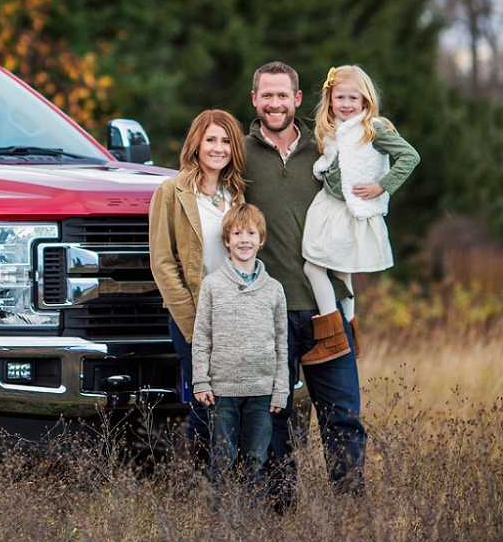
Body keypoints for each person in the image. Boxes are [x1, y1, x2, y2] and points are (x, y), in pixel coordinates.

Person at [243, 62, 365, 500]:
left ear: (297, 99)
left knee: (343, 416)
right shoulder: (240, 153)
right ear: (255, 100)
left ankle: (351, 516)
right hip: (265, 312)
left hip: (326, 310)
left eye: (283, 95)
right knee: (273, 421)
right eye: (266, 95)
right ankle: (280, 520)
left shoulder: (328, 149)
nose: (275, 103)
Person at [300, 64, 420, 365]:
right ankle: (350, 335)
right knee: (340, 272)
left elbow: (410, 156)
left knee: (314, 268)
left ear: (365, 101)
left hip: (349, 210)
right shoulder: (330, 130)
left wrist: (382, 186)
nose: (346, 105)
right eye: (340, 98)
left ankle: (332, 337)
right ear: (330, 100)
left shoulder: (374, 128)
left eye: (354, 99)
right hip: (329, 207)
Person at [149, 109, 245, 454]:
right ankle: (199, 487)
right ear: (196, 144)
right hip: (195, 315)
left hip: (237, 315)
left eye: (226, 141)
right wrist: (192, 322)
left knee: (235, 404)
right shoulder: (172, 191)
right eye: (211, 140)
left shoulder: (238, 193)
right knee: (206, 404)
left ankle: (229, 484)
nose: (218, 148)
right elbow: (161, 262)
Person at [191, 203, 289, 492]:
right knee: (223, 458)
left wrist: (280, 388)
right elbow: (202, 337)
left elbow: (282, 343)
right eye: (236, 233)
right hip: (223, 390)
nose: (244, 239)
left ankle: (250, 522)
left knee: (256, 458)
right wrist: (201, 380)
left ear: (261, 239)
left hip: (261, 391)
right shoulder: (212, 285)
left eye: (250, 233)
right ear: (226, 241)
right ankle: (219, 522)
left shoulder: (274, 289)